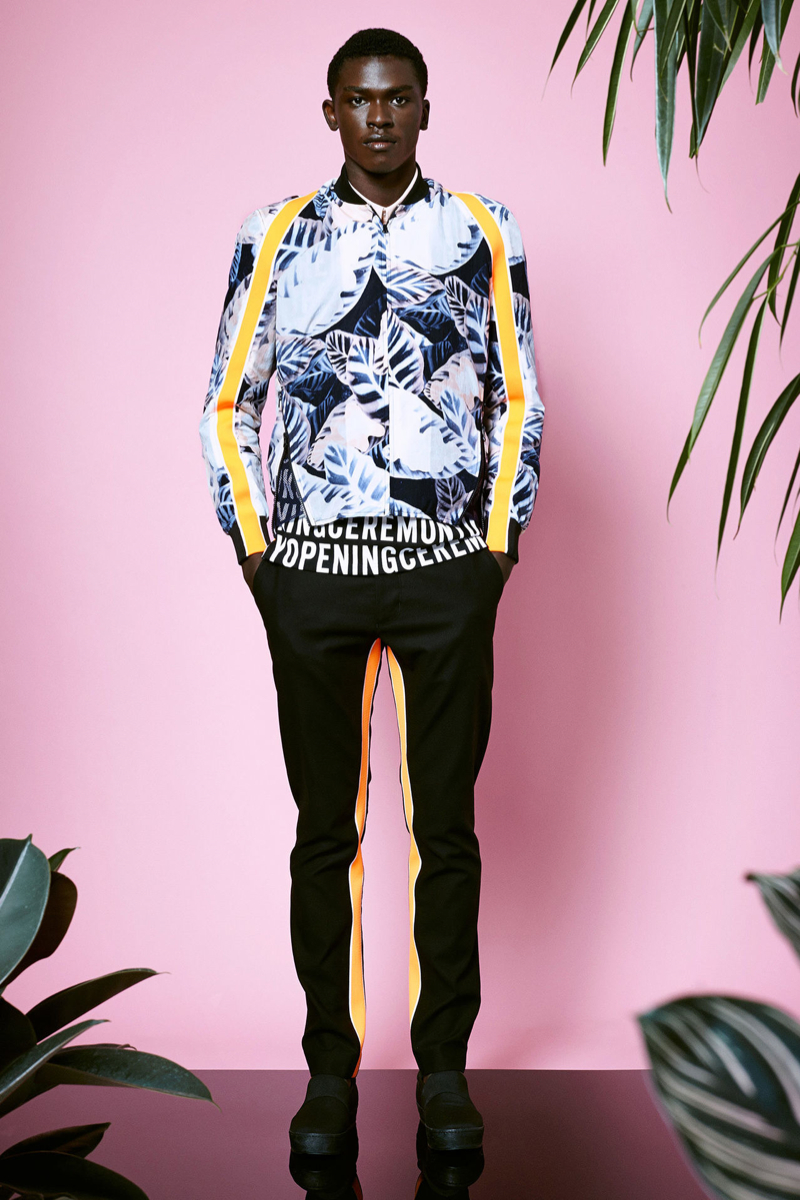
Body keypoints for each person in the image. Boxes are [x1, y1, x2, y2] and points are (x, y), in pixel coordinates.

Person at [199, 26, 544, 1156]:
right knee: (324, 836)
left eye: (398, 99)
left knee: (446, 831)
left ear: (425, 109)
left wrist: (494, 552)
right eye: (359, 99)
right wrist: (259, 554)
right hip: (314, 581)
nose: (380, 117)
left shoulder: (483, 228)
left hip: (447, 578)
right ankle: (328, 1076)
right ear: (331, 113)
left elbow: (517, 396)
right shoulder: (274, 234)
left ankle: (443, 1072)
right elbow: (227, 401)